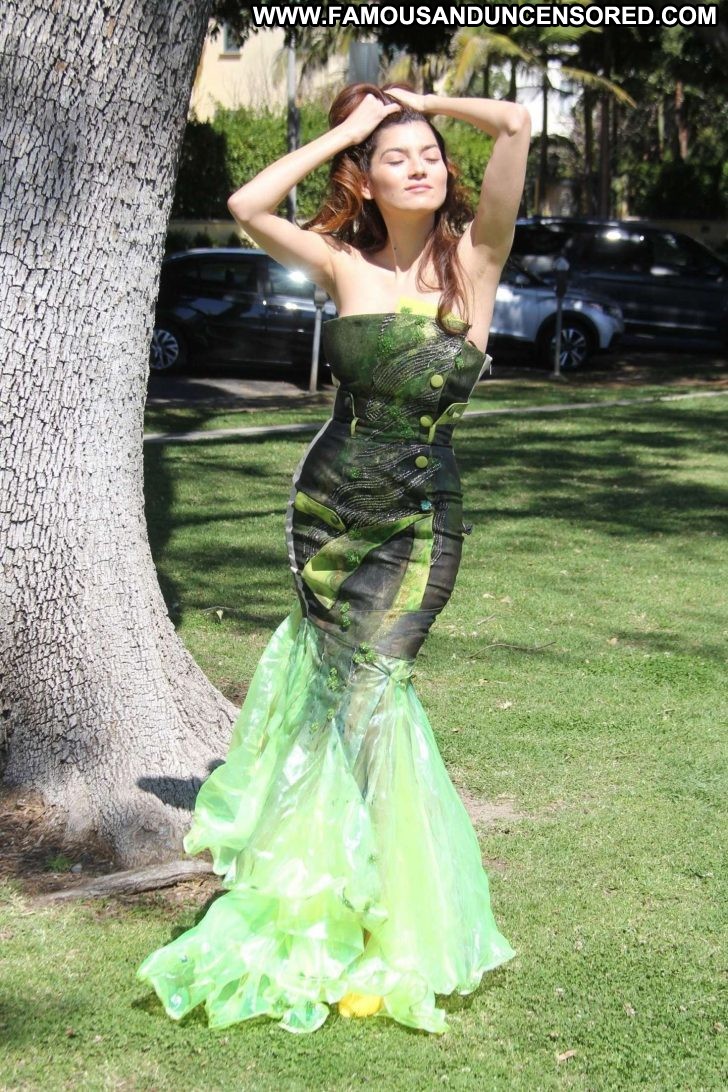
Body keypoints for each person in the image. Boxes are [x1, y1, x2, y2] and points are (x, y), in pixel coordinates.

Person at [136, 82, 531, 1035]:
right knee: (332, 703)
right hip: (326, 510)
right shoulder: (341, 263)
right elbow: (247, 205)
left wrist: (426, 100)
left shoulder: (476, 259)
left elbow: (517, 124)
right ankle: (330, 910)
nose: (419, 165)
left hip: (422, 516)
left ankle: (395, 921)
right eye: (397, 157)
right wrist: (350, 130)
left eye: (430, 154)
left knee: (377, 696)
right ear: (368, 177)